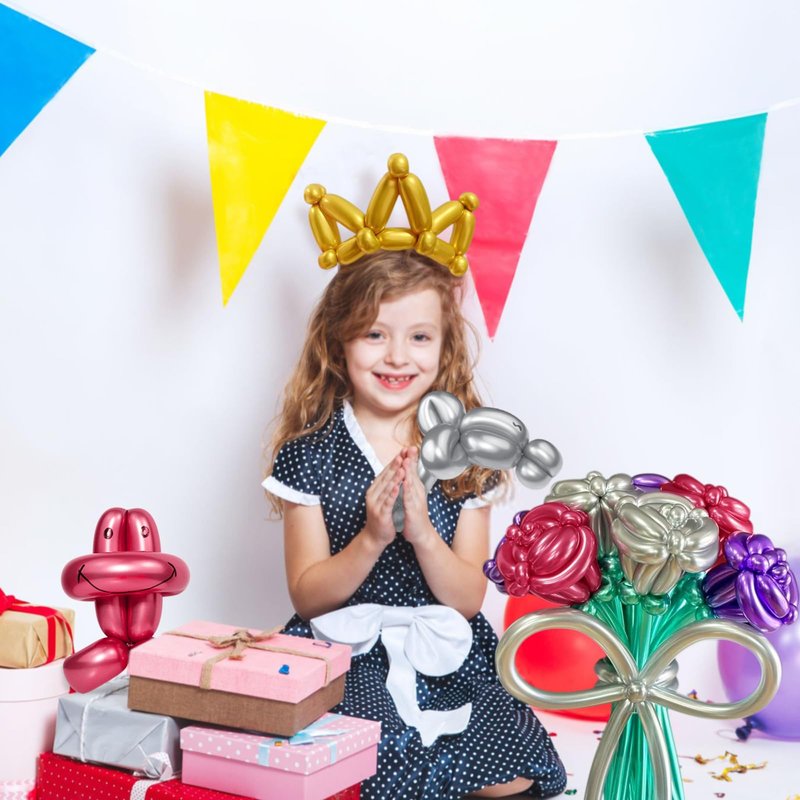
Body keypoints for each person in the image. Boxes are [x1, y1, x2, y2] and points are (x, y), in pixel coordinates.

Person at [263, 156, 566, 800]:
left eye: (420, 337)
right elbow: (309, 597)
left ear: (445, 345)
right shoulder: (309, 454)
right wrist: (372, 538)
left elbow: (466, 599)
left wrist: (423, 535)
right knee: (368, 762)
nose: (398, 356)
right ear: (338, 341)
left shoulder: (468, 455)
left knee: (510, 778)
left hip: (447, 647)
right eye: (375, 334)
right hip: (343, 653)